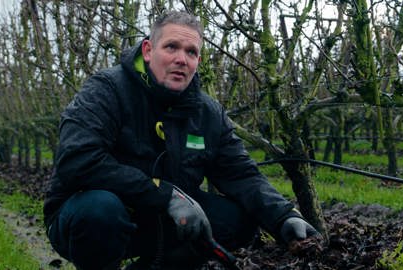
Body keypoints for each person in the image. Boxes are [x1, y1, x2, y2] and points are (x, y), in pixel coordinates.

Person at [44, 10, 320, 270]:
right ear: (148, 51)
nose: (181, 59)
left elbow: (241, 174)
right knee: (100, 210)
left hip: (163, 217)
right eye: (171, 47)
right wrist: (164, 194)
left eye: (191, 52)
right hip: (87, 216)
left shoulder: (207, 113)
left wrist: (284, 216)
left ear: (198, 61)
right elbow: (77, 161)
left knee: (238, 221)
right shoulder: (107, 90)